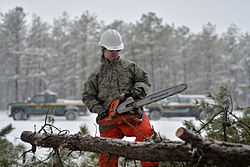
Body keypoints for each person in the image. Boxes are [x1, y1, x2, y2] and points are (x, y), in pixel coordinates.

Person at [82, 29, 159, 167]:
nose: (114, 53)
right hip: (109, 120)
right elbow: (87, 96)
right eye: (111, 49)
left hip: (132, 114)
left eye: (117, 50)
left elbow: (144, 81)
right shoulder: (96, 74)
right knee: (107, 156)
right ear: (103, 49)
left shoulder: (130, 67)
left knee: (147, 137)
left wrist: (137, 91)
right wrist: (100, 110)